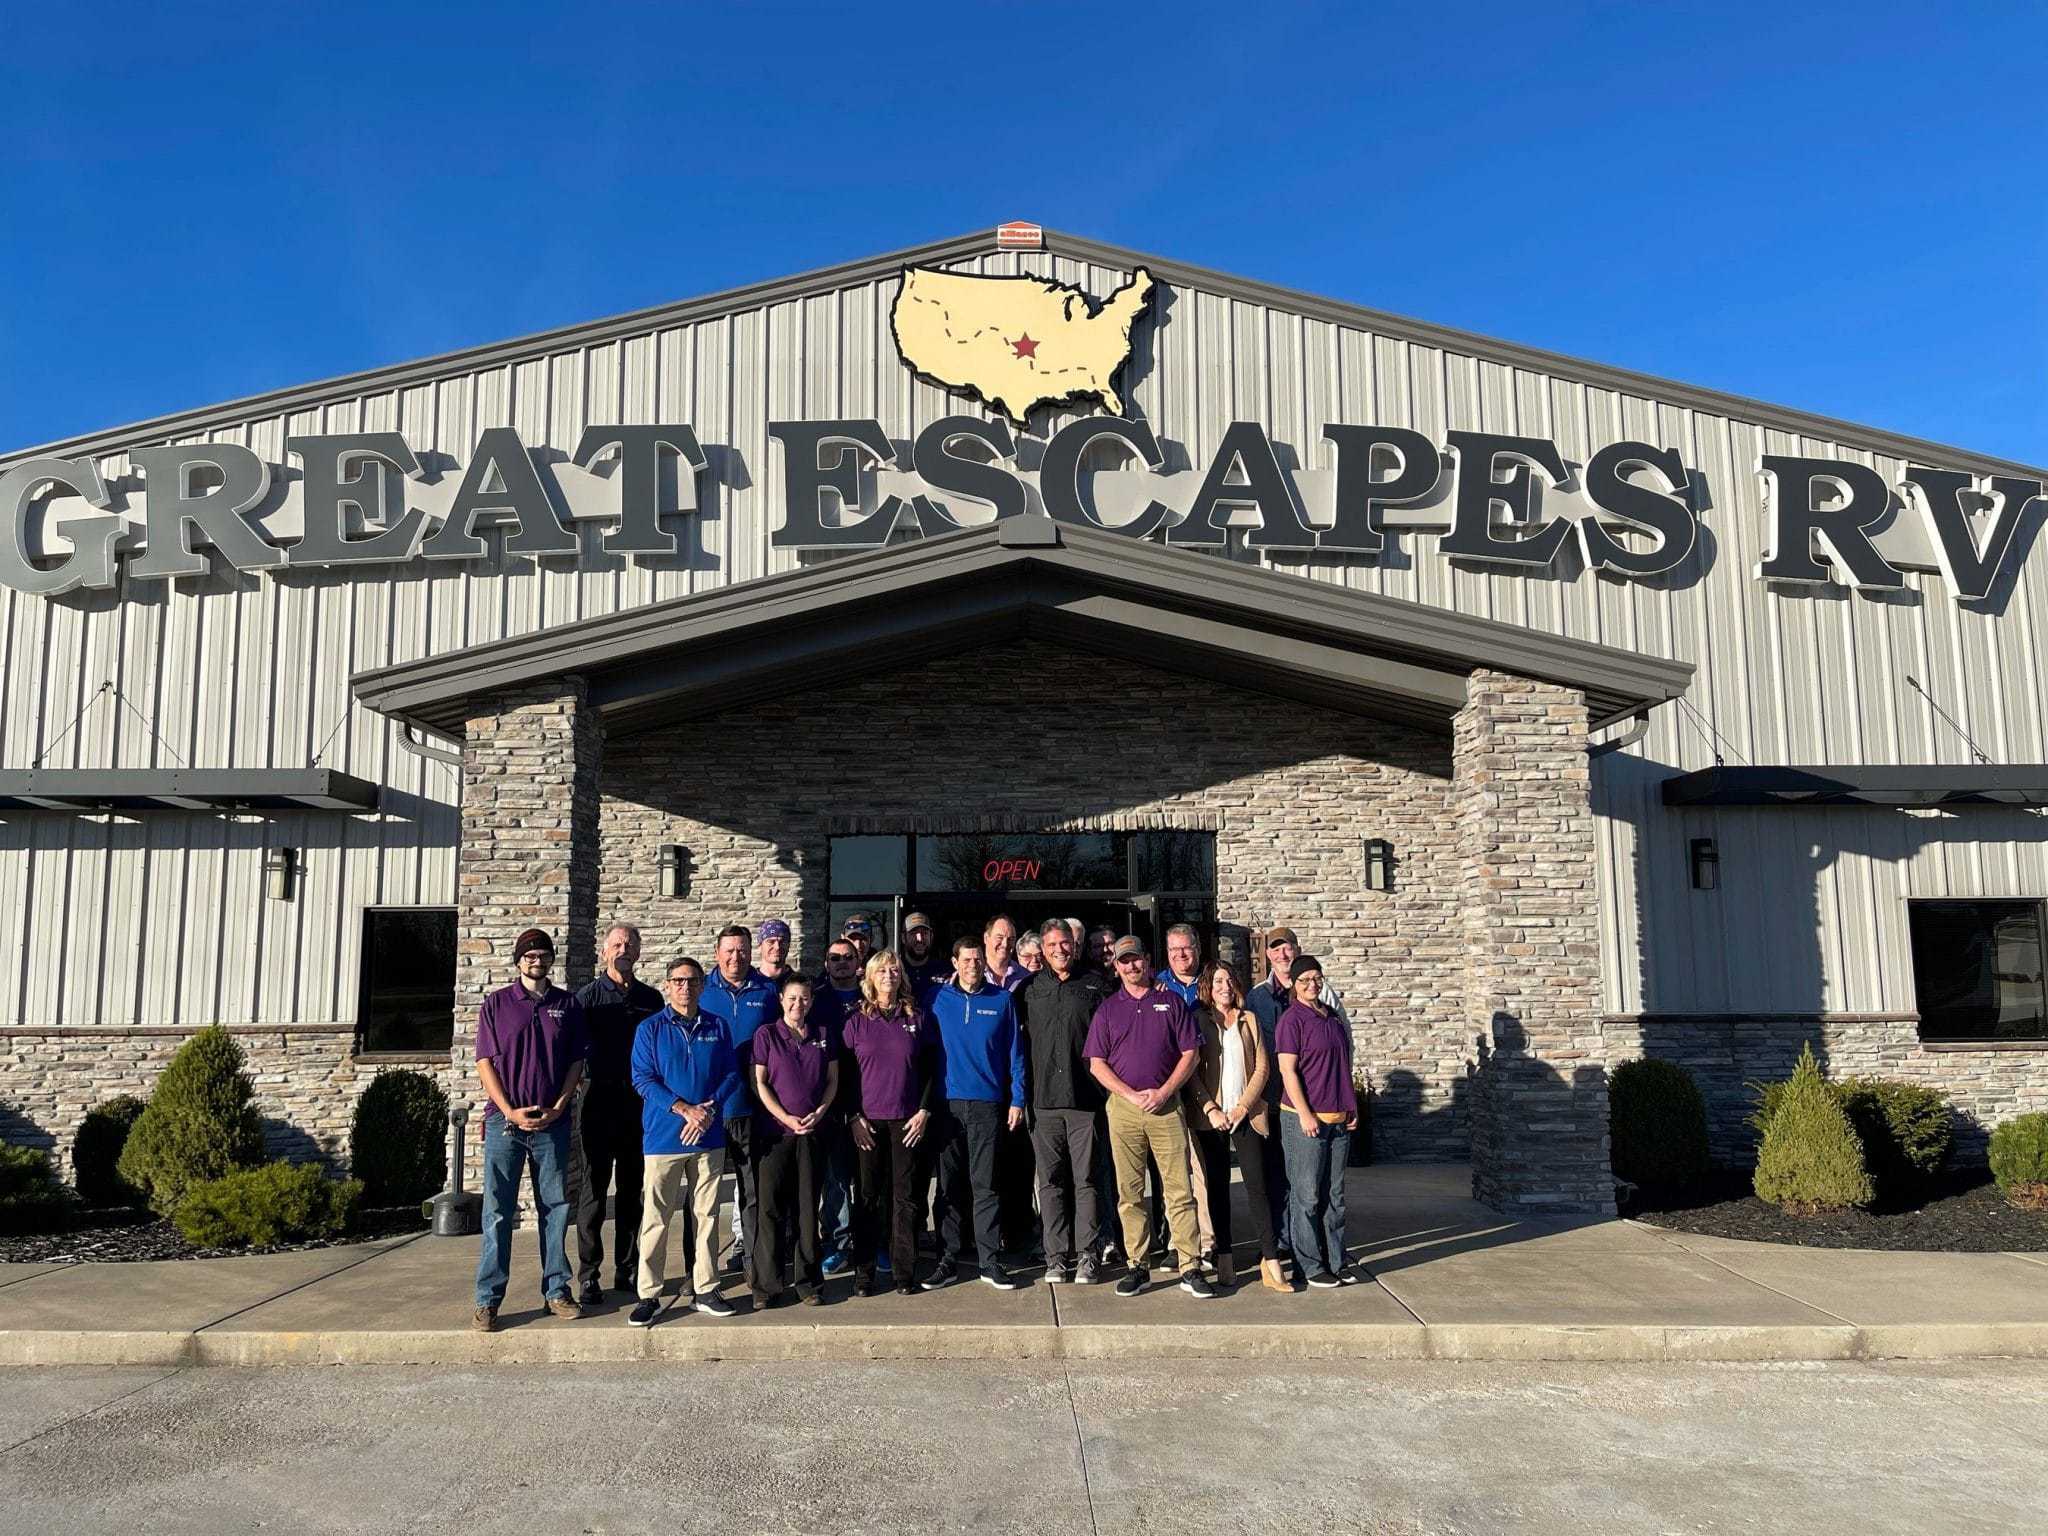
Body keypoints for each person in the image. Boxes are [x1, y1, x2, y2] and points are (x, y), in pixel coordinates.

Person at [471, 928, 589, 1332]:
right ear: (519, 960)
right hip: (505, 1123)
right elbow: (485, 1062)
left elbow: (576, 1060)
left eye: (543, 953)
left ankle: (556, 1290)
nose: (537, 959)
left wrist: (559, 1106)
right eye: (530, 954)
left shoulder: (567, 1005)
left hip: (551, 1123)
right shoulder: (497, 1004)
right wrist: (509, 1111)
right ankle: (488, 1300)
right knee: (498, 1213)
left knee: (555, 1209)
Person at [1084, 936, 1212, 1300]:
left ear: (1147, 960)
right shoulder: (1108, 1009)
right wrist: (1129, 1095)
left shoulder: (1170, 1002)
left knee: (1179, 1190)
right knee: (1130, 1193)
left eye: (1136, 960)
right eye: (1123, 962)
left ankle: (1190, 1265)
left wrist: (1165, 1091)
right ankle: (1137, 1265)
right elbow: (1097, 1063)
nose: (1130, 967)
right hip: (1124, 1111)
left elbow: (1191, 1053)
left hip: (1166, 1107)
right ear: (1116, 966)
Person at [628, 956, 741, 1324]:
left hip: (708, 1136)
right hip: (664, 1139)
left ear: (702, 985)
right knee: (656, 1218)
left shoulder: (717, 1026)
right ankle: (649, 1294)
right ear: (667, 985)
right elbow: (643, 1079)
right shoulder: (650, 1029)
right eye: (678, 981)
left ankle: (705, 1288)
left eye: (692, 981)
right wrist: (683, 1109)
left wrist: (707, 1111)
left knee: (707, 1216)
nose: (685, 987)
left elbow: (731, 1074)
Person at [923, 935, 1027, 1290]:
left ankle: (989, 1261)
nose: (972, 966)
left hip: (988, 1105)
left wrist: (1017, 1098)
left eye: (977, 960)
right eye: (965, 960)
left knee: (986, 1186)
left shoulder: (1003, 1000)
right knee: (949, 1187)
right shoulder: (936, 999)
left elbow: (1016, 1053)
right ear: (954, 963)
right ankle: (948, 1258)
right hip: (946, 1105)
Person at [571, 922, 663, 1306]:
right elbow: (571, 1054)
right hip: (596, 1105)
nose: (624, 949)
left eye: (631, 943)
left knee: (631, 1194)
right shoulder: (587, 999)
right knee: (593, 1194)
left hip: (638, 1108)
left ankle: (626, 1268)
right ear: (604, 951)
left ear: (639, 951)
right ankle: (589, 1275)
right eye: (617, 944)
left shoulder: (651, 999)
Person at [840, 949, 939, 1296]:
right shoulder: (855, 1021)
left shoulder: (919, 1017)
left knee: (906, 1198)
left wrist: (924, 1111)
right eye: (882, 970)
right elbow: (847, 1076)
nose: (889, 975)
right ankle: (864, 1275)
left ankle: (903, 1274)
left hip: (907, 1121)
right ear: (869, 977)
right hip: (867, 1123)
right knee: (867, 1198)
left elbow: (931, 1070)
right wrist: (853, 1116)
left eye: (894, 970)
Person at [1244, 926, 1349, 1255]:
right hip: (1277, 1102)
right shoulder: (1257, 997)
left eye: (1287, 948)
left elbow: (1344, 1047)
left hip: (1316, 1103)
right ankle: (1285, 1243)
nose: (1282, 954)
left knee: (1316, 1184)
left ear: (1296, 950)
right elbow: (1251, 1049)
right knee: (1279, 1177)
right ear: (1268, 956)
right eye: (1275, 950)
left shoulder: (1325, 998)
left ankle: (1314, 1246)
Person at [1017, 919, 1108, 1285]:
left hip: (1085, 1100)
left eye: (1065, 943)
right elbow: (1016, 1047)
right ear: (1042, 948)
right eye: (1052, 944)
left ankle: (1088, 1254)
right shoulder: (1027, 990)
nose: (1059, 950)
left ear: (1075, 944)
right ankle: (1055, 1256)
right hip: (1043, 1104)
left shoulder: (1095, 986)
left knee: (1086, 1180)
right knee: (1050, 1182)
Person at [1185, 962, 1286, 1292]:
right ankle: (1224, 1258)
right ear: (1207, 987)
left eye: (1229, 979)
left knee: (1258, 1187)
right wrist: (1211, 1108)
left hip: (1247, 1116)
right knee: (1217, 1188)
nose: (1224, 985)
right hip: (1211, 1118)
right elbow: (1192, 1072)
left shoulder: (1250, 1020)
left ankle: (1271, 1262)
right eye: (1217, 981)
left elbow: (1262, 1067)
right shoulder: (1198, 1020)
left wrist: (1243, 1106)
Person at [750, 972, 840, 1307]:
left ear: (811, 1002)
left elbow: (833, 1080)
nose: (797, 1004)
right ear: (781, 1000)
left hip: (812, 1133)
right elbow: (760, 1083)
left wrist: (820, 1111)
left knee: (806, 1210)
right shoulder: (767, 1035)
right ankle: (767, 1287)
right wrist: (785, 1117)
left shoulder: (823, 1035)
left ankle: (808, 1284)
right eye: (791, 997)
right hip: (774, 1135)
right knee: (771, 1209)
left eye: (804, 998)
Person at [1274, 954, 1359, 1289]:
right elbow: (1287, 1070)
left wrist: (1352, 1105)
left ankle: (1336, 1260)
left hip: (1338, 1119)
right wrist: (1306, 1113)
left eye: (1316, 978)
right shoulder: (1292, 1021)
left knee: (1334, 1196)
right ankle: (1308, 1266)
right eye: (1304, 979)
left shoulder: (1333, 1017)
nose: (1312, 984)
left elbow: (1343, 1065)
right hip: (1303, 1121)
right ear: (1294, 985)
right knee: (1307, 1195)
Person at [698, 925, 778, 1279]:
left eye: (743, 950)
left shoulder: (768, 990)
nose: (736, 957)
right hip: (709, 1111)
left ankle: (752, 1263)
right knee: (703, 1198)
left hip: (750, 1107)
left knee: (751, 1192)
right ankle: (697, 1269)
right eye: (729, 950)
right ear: (717, 953)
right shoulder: (700, 990)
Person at [900, 911, 949, 996]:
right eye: (913, 933)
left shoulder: (945, 970)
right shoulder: (895, 970)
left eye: (925, 933)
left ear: (931, 936)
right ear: (903, 938)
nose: (919, 939)